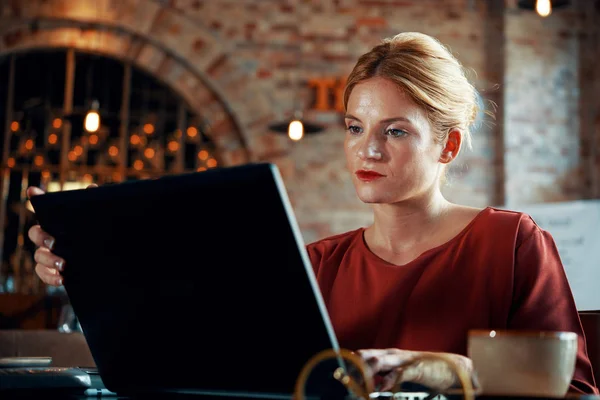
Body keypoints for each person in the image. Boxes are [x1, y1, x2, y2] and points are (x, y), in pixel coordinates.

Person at [28, 32, 597, 394]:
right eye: (355, 128)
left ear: (447, 147)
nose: (366, 151)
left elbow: (576, 394)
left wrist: (430, 367)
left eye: (395, 131)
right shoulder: (317, 265)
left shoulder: (511, 243)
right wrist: (86, 271)